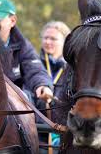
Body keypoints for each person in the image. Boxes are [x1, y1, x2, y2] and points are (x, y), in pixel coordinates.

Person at [0, 0, 54, 103]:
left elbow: (34, 69)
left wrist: (42, 86)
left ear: (13, 21)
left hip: (11, 102)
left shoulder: (23, 46)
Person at [39, 21, 71, 153]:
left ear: (65, 42)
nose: (47, 41)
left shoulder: (72, 67)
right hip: (38, 125)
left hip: (62, 127)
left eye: (53, 38)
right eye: (45, 38)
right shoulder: (33, 63)